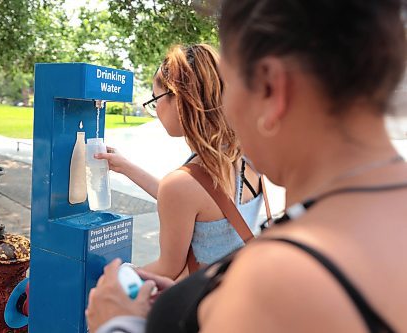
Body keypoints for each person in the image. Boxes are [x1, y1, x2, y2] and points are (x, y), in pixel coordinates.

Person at [86, 0, 407, 332]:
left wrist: (117, 324)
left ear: (271, 86)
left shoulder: (273, 282)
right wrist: (198, 294)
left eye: (230, 84)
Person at [96, 44, 268, 279]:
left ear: (178, 99)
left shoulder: (183, 185)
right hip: (235, 292)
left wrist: (111, 278)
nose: (155, 110)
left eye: (155, 100)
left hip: (198, 306)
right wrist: (125, 167)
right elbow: (201, 204)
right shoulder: (249, 157)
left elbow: (168, 269)